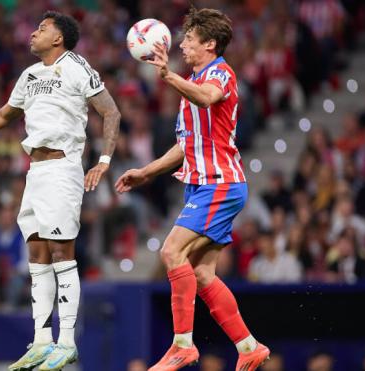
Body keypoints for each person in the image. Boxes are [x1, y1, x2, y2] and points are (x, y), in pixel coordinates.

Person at [0, 11, 120, 371]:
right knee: (36, 254)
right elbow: (3, 116)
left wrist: (105, 160)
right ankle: (42, 340)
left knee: (63, 251)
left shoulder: (76, 66)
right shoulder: (29, 75)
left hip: (63, 168)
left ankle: (66, 342)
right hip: (35, 171)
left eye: (42, 29)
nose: (33, 34)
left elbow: (110, 112)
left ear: (59, 38)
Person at [115, 7, 268, 371]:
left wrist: (167, 76)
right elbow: (185, 147)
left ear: (210, 43)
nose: (182, 44)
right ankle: (248, 346)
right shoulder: (191, 87)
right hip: (202, 186)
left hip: (220, 184)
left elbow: (208, 97)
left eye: (189, 39)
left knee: (171, 251)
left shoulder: (221, 74)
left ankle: (182, 344)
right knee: (202, 275)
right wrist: (146, 172)